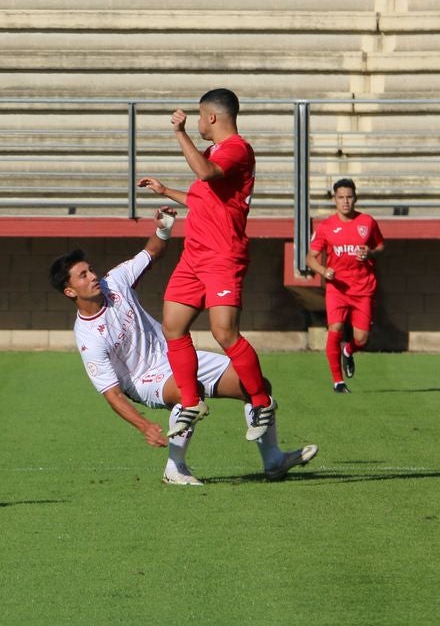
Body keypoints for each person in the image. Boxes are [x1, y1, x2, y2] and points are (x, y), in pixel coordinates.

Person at [49, 207, 318, 485]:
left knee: (256, 384)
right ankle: (175, 468)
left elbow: (151, 252)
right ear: (70, 291)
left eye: (90, 269)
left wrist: (163, 228)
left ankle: (273, 460)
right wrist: (144, 426)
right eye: (83, 275)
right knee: (189, 392)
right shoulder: (88, 337)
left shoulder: (114, 282)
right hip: (144, 380)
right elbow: (113, 395)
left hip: (175, 356)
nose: (93, 276)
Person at [137, 88, 276, 441]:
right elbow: (202, 197)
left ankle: (261, 401)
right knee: (173, 324)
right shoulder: (215, 151)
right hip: (194, 256)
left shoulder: (236, 149)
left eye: (200, 117)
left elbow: (207, 173)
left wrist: (180, 133)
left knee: (223, 332)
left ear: (211, 117)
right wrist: (166, 190)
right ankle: (191, 401)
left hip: (221, 255)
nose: (198, 122)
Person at [306, 178, 385, 393]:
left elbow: (380, 246)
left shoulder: (367, 222)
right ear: (335, 200)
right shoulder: (326, 227)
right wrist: (324, 271)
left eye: (349, 197)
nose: (345, 201)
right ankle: (338, 382)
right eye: (341, 197)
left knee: (362, 338)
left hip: (363, 288)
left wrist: (370, 252)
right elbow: (310, 258)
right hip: (337, 288)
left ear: (355, 198)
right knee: (335, 329)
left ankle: (349, 351)